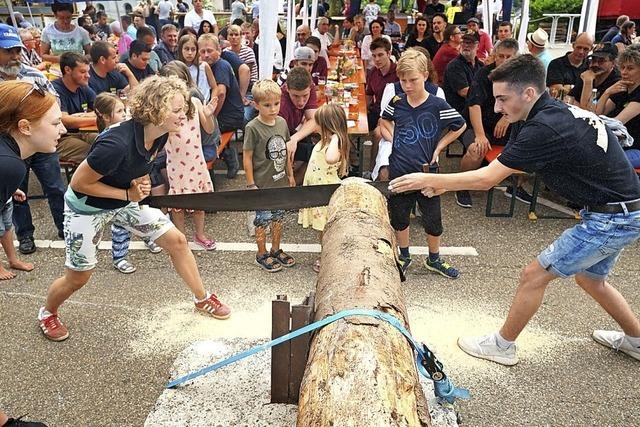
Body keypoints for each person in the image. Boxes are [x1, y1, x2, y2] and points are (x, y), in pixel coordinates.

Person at [389, 54, 640, 365]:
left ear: (529, 93)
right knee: (591, 280)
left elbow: (487, 178)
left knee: (533, 276)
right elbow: (494, 173)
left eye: (502, 99)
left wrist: (428, 178)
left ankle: (502, 346)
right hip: (622, 209)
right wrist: (444, 184)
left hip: (612, 218)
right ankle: (636, 340)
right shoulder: (554, 112)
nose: (497, 108)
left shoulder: (544, 127)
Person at [39, 76, 232, 342]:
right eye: (177, 111)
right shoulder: (115, 143)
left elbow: (137, 167)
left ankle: (202, 298)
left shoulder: (161, 134)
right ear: (155, 110)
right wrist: (127, 193)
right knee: (78, 277)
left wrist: (136, 183)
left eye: (184, 110)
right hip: (86, 207)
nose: (184, 116)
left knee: (177, 240)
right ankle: (47, 312)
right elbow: (79, 183)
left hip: (121, 200)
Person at [380, 50, 466, 278]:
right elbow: (383, 120)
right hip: (399, 169)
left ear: (425, 76)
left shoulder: (437, 104)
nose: (407, 85)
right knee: (399, 217)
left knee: (433, 219)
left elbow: (460, 125)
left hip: (428, 173)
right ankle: (404, 255)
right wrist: (392, 138)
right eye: (403, 80)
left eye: (413, 80)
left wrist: (438, 147)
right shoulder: (397, 102)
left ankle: (434, 258)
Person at [0, 25, 65, 255]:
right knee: (16, 193)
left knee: (56, 187)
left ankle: (63, 228)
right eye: (8, 51)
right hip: (13, 148)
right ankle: (25, 235)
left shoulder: (34, 75)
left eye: (17, 50)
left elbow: (54, 104)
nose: (15, 56)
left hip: (41, 144)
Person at [93, 92, 162, 274]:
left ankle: (148, 238)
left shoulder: (131, 134)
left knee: (141, 215)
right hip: (116, 192)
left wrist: (143, 179)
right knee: (121, 226)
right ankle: (119, 257)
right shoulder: (107, 141)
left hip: (133, 187)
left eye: (125, 110)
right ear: (106, 116)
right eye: (119, 111)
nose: (124, 114)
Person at [0, 80, 64, 275]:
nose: (63, 130)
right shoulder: (10, 166)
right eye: (55, 123)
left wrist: (7, 189)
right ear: (25, 127)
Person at [158, 62, 219, 250]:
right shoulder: (164, 109)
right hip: (176, 163)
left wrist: (208, 114)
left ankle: (199, 234)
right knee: (178, 204)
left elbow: (208, 129)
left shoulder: (195, 103)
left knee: (198, 201)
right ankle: (181, 236)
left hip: (196, 161)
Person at [454, 38, 519, 208]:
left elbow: (525, 104)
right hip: (476, 123)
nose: (504, 61)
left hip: (506, 125)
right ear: (494, 56)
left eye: (509, 57)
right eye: (501, 56)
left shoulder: (521, 77)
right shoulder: (484, 75)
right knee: (477, 149)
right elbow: (474, 106)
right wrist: (480, 135)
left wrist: (506, 118)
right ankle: (462, 186)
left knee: (527, 147)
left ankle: (514, 186)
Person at [243, 79, 296, 272]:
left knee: (278, 219)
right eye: (267, 105)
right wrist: (250, 184)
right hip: (262, 185)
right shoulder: (252, 128)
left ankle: (275, 249)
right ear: (256, 105)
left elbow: (285, 151)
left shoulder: (281, 123)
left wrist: (290, 175)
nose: (273, 109)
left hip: (280, 183)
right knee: (262, 220)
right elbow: (247, 157)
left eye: (276, 103)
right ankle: (261, 253)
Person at [372, 47, 445, 182]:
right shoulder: (392, 89)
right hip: (393, 138)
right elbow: (384, 122)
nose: (408, 85)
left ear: (424, 73)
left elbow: (438, 127)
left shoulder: (437, 93)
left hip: (424, 142)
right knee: (385, 171)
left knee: (427, 177)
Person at [298, 103, 349, 273]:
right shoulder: (323, 140)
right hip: (316, 193)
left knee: (325, 230)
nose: (315, 125)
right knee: (322, 230)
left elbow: (331, 159)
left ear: (327, 125)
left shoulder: (335, 144)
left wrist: (335, 138)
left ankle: (327, 256)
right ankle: (327, 254)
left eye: (318, 122)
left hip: (324, 194)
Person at [198, 33, 243, 177]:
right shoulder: (207, 67)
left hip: (230, 117)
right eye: (202, 51)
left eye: (210, 51)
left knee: (202, 133)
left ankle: (222, 160)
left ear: (219, 50)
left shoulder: (220, 66)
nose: (206, 55)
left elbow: (221, 93)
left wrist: (212, 118)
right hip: (228, 114)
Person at [596, 45, 640, 168]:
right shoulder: (622, 88)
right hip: (619, 146)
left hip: (636, 148)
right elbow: (598, 114)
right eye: (623, 67)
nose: (624, 72)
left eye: (630, 68)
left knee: (605, 164)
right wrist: (607, 93)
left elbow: (617, 123)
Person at [52, 52, 98, 164]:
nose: (88, 76)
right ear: (68, 70)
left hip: (81, 132)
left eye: (88, 71)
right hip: (60, 139)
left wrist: (81, 116)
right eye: (82, 72)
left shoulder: (82, 86)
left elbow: (102, 108)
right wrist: (96, 118)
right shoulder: (55, 89)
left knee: (108, 142)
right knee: (97, 153)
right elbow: (66, 121)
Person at [281, 67, 319, 184]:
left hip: (291, 133)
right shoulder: (281, 105)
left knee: (319, 152)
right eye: (296, 96)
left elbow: (313, 119)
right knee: (317, 155)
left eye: (305, 96)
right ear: (287, 89)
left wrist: (294, 139)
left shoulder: (310, 86)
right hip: (278, 139)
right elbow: (280, 143)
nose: (301, 102)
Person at [365, 37, 398, 169]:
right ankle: (352, 161)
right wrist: (363, 110)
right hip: (375, 110)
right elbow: (369, 94)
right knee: (346, 125)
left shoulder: (398, 73)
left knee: (378, 134)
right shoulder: (373, 71)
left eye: (380, 55)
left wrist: (384, 119)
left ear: (389, 54)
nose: (377, 59)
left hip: (392, 115)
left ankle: (373, 168)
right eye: (374, 56)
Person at [567, 42, 620, 111]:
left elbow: (590, 112)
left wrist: (588, 82)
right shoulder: (586, 73)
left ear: (613, 63)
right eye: (593, 60)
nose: (595, 64)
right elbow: (569, 98)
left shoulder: (616, 82)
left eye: (601, 61)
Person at [546, 32, 593, 98]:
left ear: (591, 49)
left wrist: (570, 87)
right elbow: (557, 91)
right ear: (573, 45)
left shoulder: (591, 66)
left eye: (586, 49)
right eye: (579, 47)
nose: (581, 52)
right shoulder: (556, 64)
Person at [177, 35, 216, 103]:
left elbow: (214, 87)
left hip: (205, 104)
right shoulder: (177, 68)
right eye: (186, 49)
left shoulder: (204, 66)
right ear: (180, 49)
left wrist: (212, 103)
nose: (190, 53)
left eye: (193, 49)